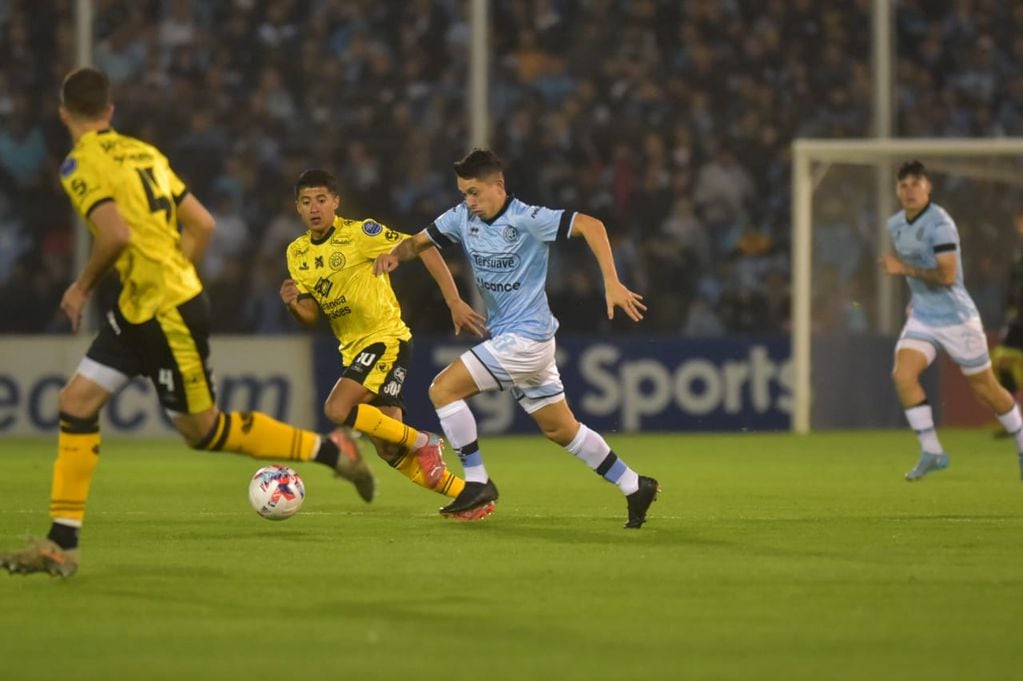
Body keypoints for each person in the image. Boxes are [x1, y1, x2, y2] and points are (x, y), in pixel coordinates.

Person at [0, 68, 366, 578]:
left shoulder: (77, 164)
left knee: (203, 430)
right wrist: (175, 272)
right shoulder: (145, 153)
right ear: (110, 111)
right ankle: (61, 546)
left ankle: (331, 450)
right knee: (75, 402)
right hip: (141, 306)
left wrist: (82, 286)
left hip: (165, 311)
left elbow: (116, 235)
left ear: (65, 113)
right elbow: (203, 224)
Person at [374, 148, 660, 528]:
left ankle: (476, 481)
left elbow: (592, 225)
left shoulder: (528, 218)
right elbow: (417, 242)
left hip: (526, 339)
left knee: (443, 390)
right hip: (525, 342)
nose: (468, 201)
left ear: (499, 186)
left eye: (475, 192)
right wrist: (395, 255)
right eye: (464, 193)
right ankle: (633, 485)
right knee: (561, 429)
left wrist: (611, 281)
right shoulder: (461, 218)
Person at [281, 169, 490, 511]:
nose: (314, 207)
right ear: (298, 209)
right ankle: (469, 498)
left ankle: (425, 441)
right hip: (353, 350)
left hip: (385, 339)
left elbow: (423, 247)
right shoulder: (297, 253)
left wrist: (454, 301)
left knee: (337, 408)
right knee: (389, 446)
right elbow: (311, 315)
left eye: (321, 199)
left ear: (336, 202)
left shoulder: (360, 233)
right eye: (306, 202)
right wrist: (292, 304)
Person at [880, 160, 1023, 481]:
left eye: (916, 183)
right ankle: (932, 451)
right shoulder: (895, 226)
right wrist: (915, 300)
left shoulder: (940, 224)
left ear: (928, 187)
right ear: (897, 191)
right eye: (903, 185)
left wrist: (902, 270)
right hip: (923, 317)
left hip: (957, 318)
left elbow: (946, 276)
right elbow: (917, 269)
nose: (910, 190)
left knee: (986, 389)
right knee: (903, 375)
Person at [990, 209, 1023, 429]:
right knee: (1002, 361)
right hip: (1018, 319)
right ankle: (1012, 419)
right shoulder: (1018, 255)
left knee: (1003, 360)